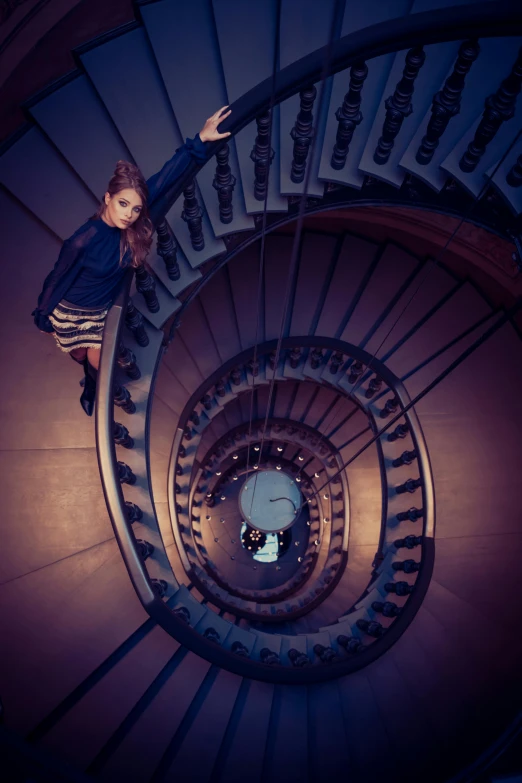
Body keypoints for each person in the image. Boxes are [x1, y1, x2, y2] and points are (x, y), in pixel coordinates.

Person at [31, 105, 232, 415]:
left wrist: (200, 140)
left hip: (99, 312)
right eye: (123, 203)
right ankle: (87, 377)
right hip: (72, 309)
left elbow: (166, 177)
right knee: (80, 356)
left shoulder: (131, 222)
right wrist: (43, 314)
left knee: (99, 362)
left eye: (136, 208)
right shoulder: (82, 241)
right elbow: (58, 277)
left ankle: (92, 390)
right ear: (108, 198)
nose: (129, 214)